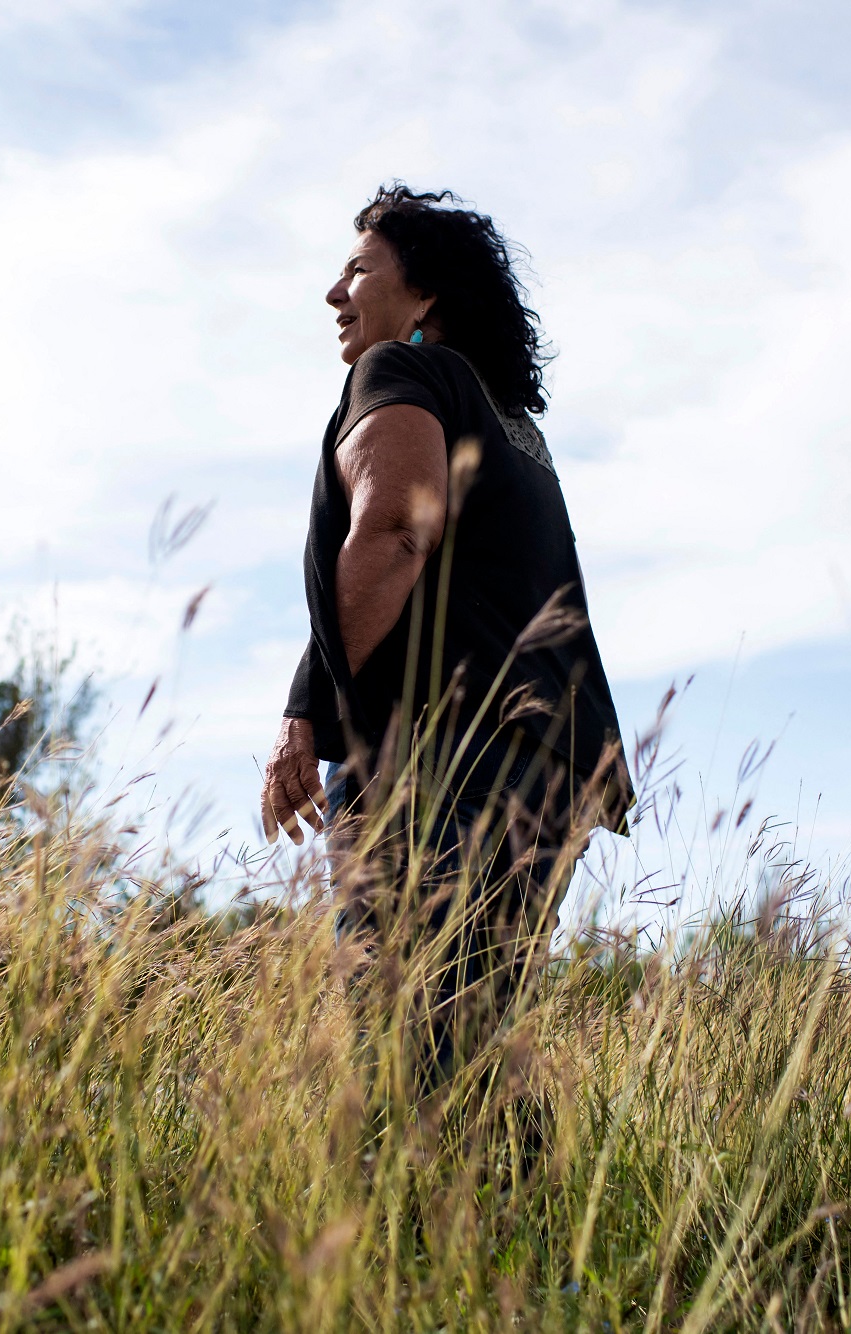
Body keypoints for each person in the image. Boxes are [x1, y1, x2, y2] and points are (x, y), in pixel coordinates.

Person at [259, 184, 632, 1097]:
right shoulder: (517, 432)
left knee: (404, 1049)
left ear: (423, 300)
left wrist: (325, 721)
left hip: (443, 757)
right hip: (558, 767)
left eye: (358, 270)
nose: (335, 294)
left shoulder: (402, 374)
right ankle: (521, 1235)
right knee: (469, 1042)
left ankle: (411, 1236)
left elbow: (392, 530)